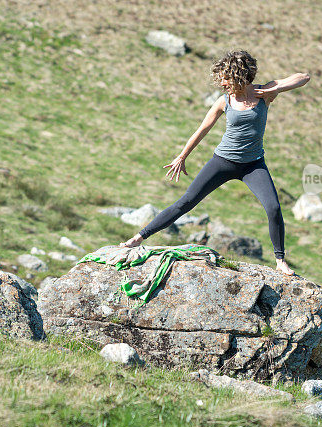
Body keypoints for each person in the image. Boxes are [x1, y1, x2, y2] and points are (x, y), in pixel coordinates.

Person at [119, 50, 310, 276]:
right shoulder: (224, 101)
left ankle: (280, 261)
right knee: (186, 202)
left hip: (253, 165)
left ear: (239, 76)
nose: (222, 83)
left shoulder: (262, 93)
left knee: (274, 207)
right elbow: (202, 130)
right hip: (223, 162)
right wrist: (181, 156)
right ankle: (138, 238)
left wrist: (274, 89)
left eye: (226, 78)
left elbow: (303, 77)